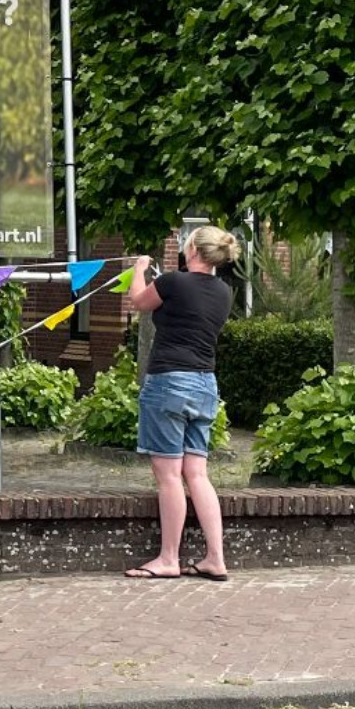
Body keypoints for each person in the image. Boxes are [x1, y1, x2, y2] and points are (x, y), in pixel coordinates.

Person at [125, 226, 241, 581]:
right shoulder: (224, 292)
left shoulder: (174, 282)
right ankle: (215, 558)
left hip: (170, 381)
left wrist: (138, 269)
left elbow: (139, 302)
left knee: (169, 477)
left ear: (193, 250)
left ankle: (168, 558)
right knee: (198, 473)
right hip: (205, 383)